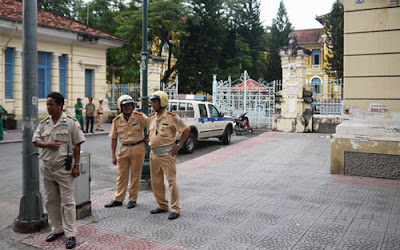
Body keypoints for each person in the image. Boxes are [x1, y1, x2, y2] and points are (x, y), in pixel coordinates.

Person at [32, 92, 85, 249]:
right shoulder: (44, 123)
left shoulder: (70, 123)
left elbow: (77, 145)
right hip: (47, 168)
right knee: (51, 201)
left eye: (51, 104)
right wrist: (47, 144)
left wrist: (76, 166)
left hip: (64, 169)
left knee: (67, 202)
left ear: (60, 105)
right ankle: (57, 229)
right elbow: (35, 140)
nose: (48, 107)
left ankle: (70, 234)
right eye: (47, 104)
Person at [145, 91, 190, 220]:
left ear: (162, 102)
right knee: (156, 182)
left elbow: (186, 129)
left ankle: (175, 208)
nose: (153, 104)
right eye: (152, 102)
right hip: (154, 154)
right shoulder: (152, 117)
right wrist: (148, 138)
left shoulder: (172, 117)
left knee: (171, 182)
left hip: (167, 154)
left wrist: (179, 145)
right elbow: (150, 131)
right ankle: (162, 205)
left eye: (155, 102)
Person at [105, 95, 149, 209]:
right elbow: (114, 138)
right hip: (123, 149)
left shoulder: (139, 116)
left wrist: (147, 137)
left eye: (130, 105)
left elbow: (151, 126)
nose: (128, 107)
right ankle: (118, 199)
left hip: (138, 147)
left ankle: (132, 199)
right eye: (125, 105)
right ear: (121, 107)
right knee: (121, 175)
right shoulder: (116, 120)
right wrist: (113, 155)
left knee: (135, 175)